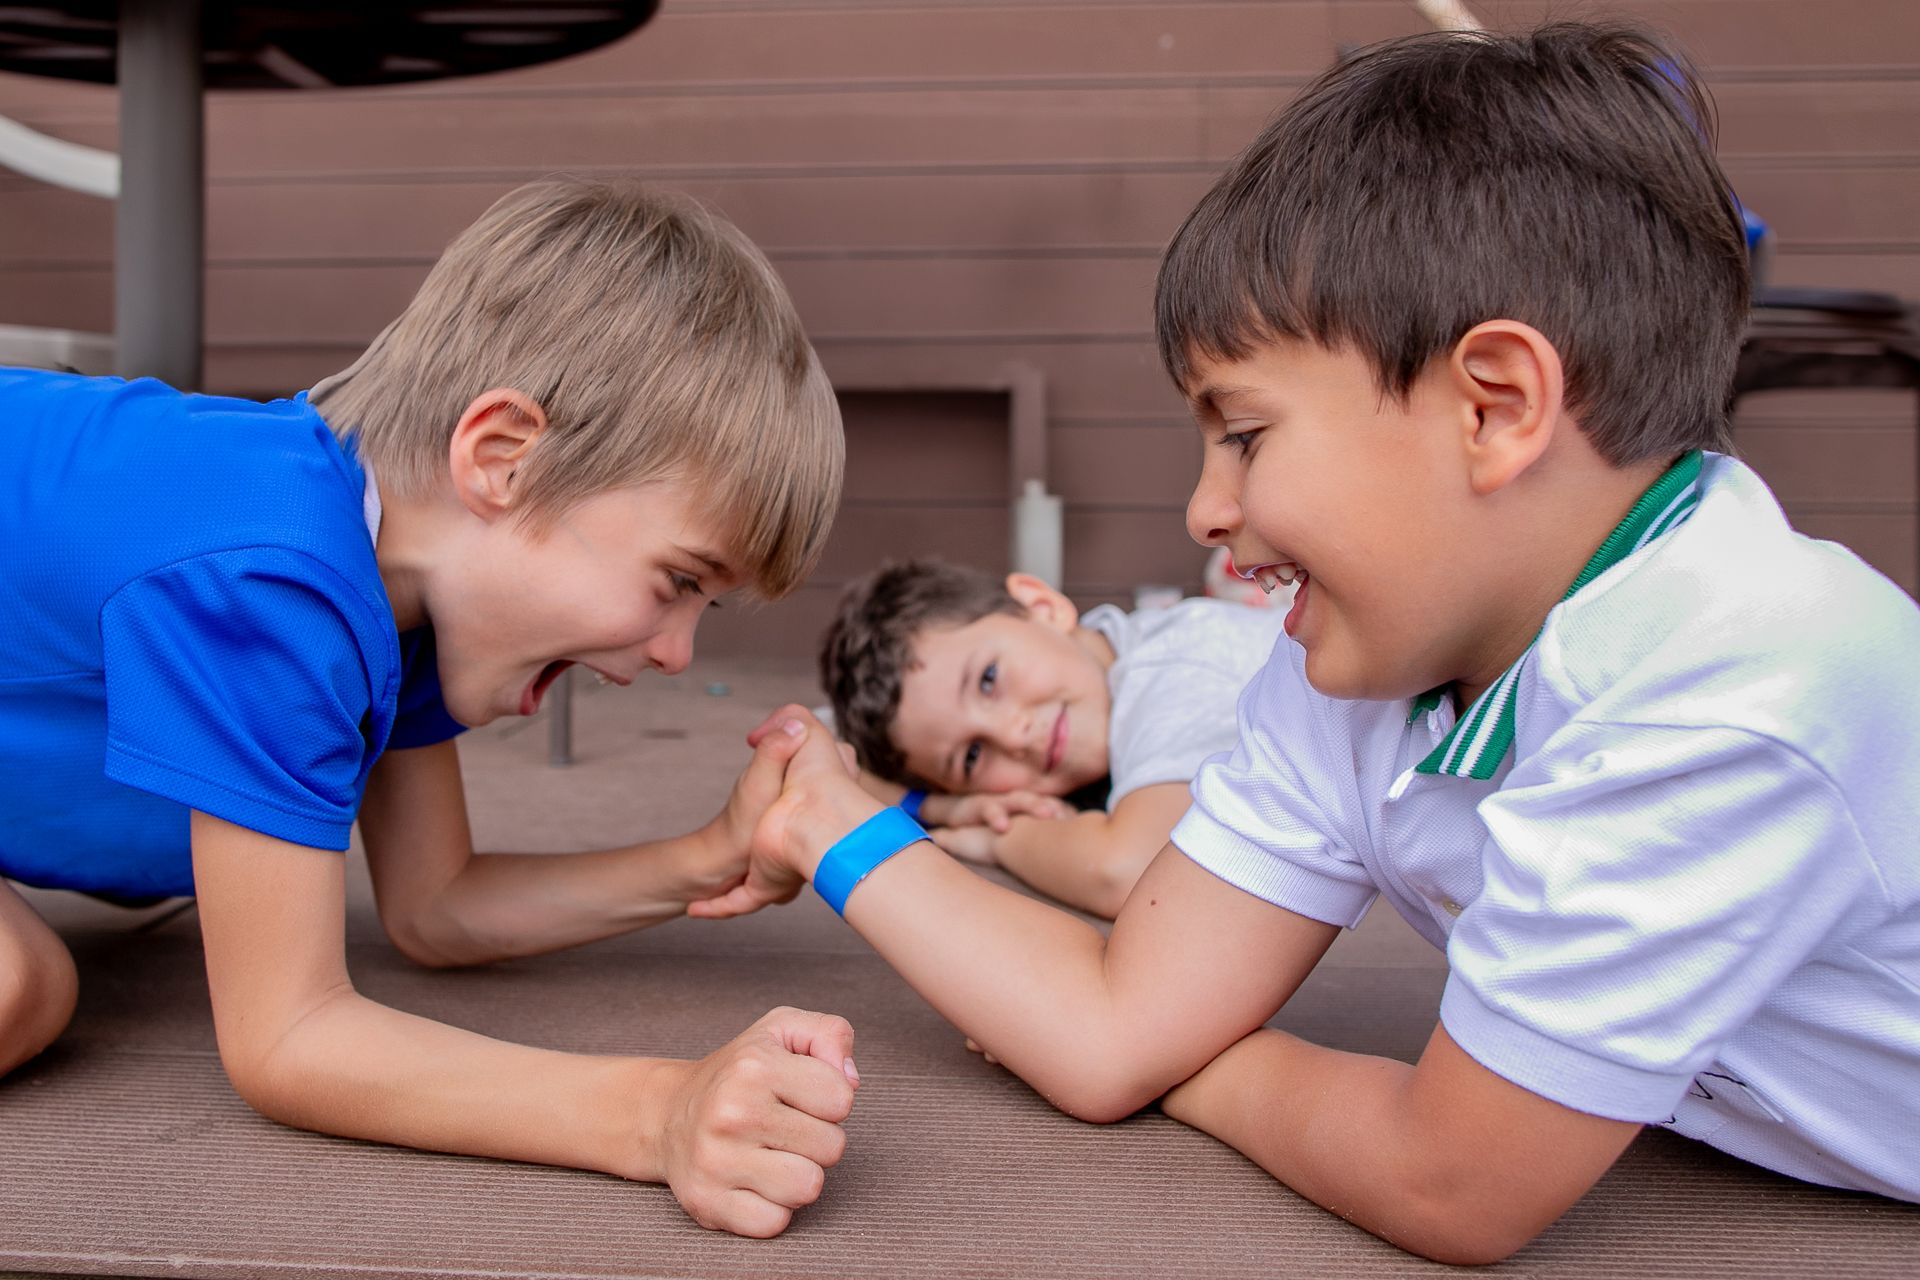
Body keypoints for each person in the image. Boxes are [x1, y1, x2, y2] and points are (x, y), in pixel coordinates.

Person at [704, 22, 1920, 1263]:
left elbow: (1450, 1180)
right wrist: (834, 819)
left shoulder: (1730, 686)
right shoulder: (1354, 664)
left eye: (1243, 433)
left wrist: (1213, 1063)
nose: (1203, 512)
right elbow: (1118, 1023)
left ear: (1494, 406)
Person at [0, 179, 857, 1239]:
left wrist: (712, 853)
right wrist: (657, 1110)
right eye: (679, 580)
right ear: (501, 458)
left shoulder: (396, 589)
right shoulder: (272, 572)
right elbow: (289, 1036)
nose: (678, 650)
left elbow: (435, 907)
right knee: (17, 984)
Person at [818, 559, 1284, 917]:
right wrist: (944, 809)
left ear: (1042, 607)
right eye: (973, 756)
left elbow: (1128, 874)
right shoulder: (1095, 668)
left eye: (987, 679)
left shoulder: (1175, 670)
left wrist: (1000, 839)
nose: (1013, 735)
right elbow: (819, 742)